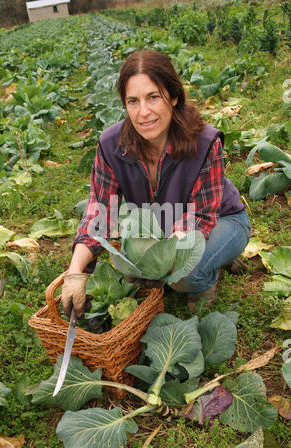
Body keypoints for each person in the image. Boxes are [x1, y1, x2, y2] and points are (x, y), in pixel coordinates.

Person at [61, 49, 251, 318]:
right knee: (140, 271)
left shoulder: (205, 142)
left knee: (184, 275)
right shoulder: (110, 145)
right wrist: (75, 271)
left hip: (223, 219)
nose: (143, 112)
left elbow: (201, 216)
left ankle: (207, 279)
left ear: (173, 97)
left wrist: (161, 260)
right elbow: (99, 212)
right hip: (165, 226)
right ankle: (207, 258)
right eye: (133, 101)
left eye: (153, 97)